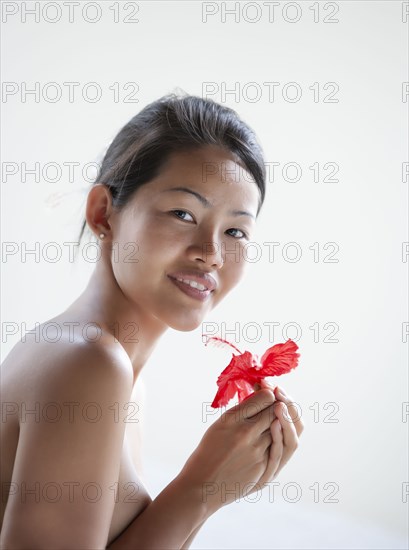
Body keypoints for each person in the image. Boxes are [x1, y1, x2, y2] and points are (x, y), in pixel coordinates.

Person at [0, 93, 304, 549]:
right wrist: (200, 489)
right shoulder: (89, 364)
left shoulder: (111, 369)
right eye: (183, 213)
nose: (211, 254)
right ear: (104, 213)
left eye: (235, 231)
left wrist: (213, 491)